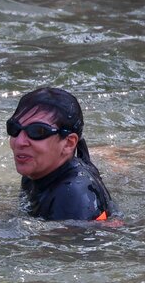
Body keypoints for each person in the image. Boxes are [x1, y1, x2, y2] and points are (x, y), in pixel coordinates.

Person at [7, 86, 114, 221]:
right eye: (14, 128)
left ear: (69, 143)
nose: (19, 142)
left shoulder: (72, 195)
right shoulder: (36, 171)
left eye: (37, 131)